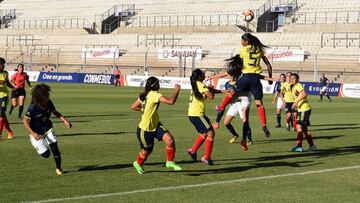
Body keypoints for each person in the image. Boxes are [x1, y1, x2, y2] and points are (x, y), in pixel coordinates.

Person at [215, 33, 273, 137]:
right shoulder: (260, 50)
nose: (241, 42)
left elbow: (240, 64)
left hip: (246, 77)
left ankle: (221, 107)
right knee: (259, 104)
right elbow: (268, 65)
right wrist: (270, 78)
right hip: (256, 78)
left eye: (242, 40)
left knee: (232, 91)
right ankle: (264, 125)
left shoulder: (243, 50)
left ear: (246, 41)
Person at [131, 77, 181, 174]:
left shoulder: (146, 94)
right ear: (156, 85)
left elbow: (134, 106)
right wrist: (176, 91)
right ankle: (137, 163)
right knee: (146, 151)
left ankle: (169, 162)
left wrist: (143, 110)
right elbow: (170, 101)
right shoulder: (154, 94)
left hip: (156, 124)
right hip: (145, 129)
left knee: (169, 140)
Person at [23, 84, 72, 176]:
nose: (48, 96)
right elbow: (25, 121)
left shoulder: (49, 102)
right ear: (41, 97)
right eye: (46, 94)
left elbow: (55, 112)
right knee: (46, 154)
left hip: (47, 128)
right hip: (36, 134)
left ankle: (58, 168)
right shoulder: (33, 107)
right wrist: (33, 133)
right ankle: (40, 145)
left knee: (55, 149)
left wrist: (65, 120)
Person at [187, 69, 220, 165]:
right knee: (211, 133)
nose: (204, 74)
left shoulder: (196, 84)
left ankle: (192, 151)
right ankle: (206, 157)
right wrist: (211, 88)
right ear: (199, 76)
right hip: (197, 114)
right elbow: (211, 96)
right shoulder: (201, 85)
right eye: (202, 73)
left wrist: (223, 91)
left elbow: (209, 91)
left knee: (204, 134)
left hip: (193, 114)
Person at [289, 73, 316, 152]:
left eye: (294, 78)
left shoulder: (298, 85)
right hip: (301, 110)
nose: (292, 79)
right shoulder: (293, 87)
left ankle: (299, 146)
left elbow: (304, 94)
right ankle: (312, 146)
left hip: (304, 109)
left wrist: (296, 102)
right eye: (291, 78)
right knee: (304, 129)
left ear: (297, 79)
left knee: (299, 127)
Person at [0, 57, 15, 139]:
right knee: (2, 115)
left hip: (4, 96)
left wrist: (13, 87)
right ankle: (9, 131)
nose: (4, 66)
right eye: (2, 64)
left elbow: (6, 82)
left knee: (1, 113)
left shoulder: (5, 73)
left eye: (4, 64)